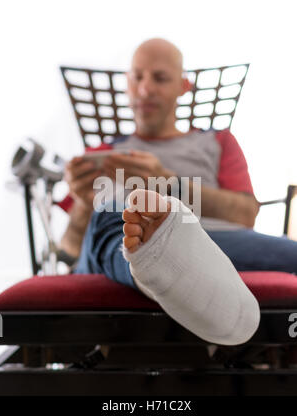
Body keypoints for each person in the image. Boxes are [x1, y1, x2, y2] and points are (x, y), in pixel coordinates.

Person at [58, 38, 293, 344]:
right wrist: (82, 205)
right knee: (112, 213)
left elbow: (246, 214)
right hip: (113, 247)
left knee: (289, 252)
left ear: (183, 86)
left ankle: (159, 256)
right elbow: (69, 250)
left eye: (160, 78)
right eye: (137, 77)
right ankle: (150, 261)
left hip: (216, 243)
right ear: (127, 84)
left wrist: (170, 183)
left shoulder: (217, 142)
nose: (145, 89)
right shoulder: (100, 155)